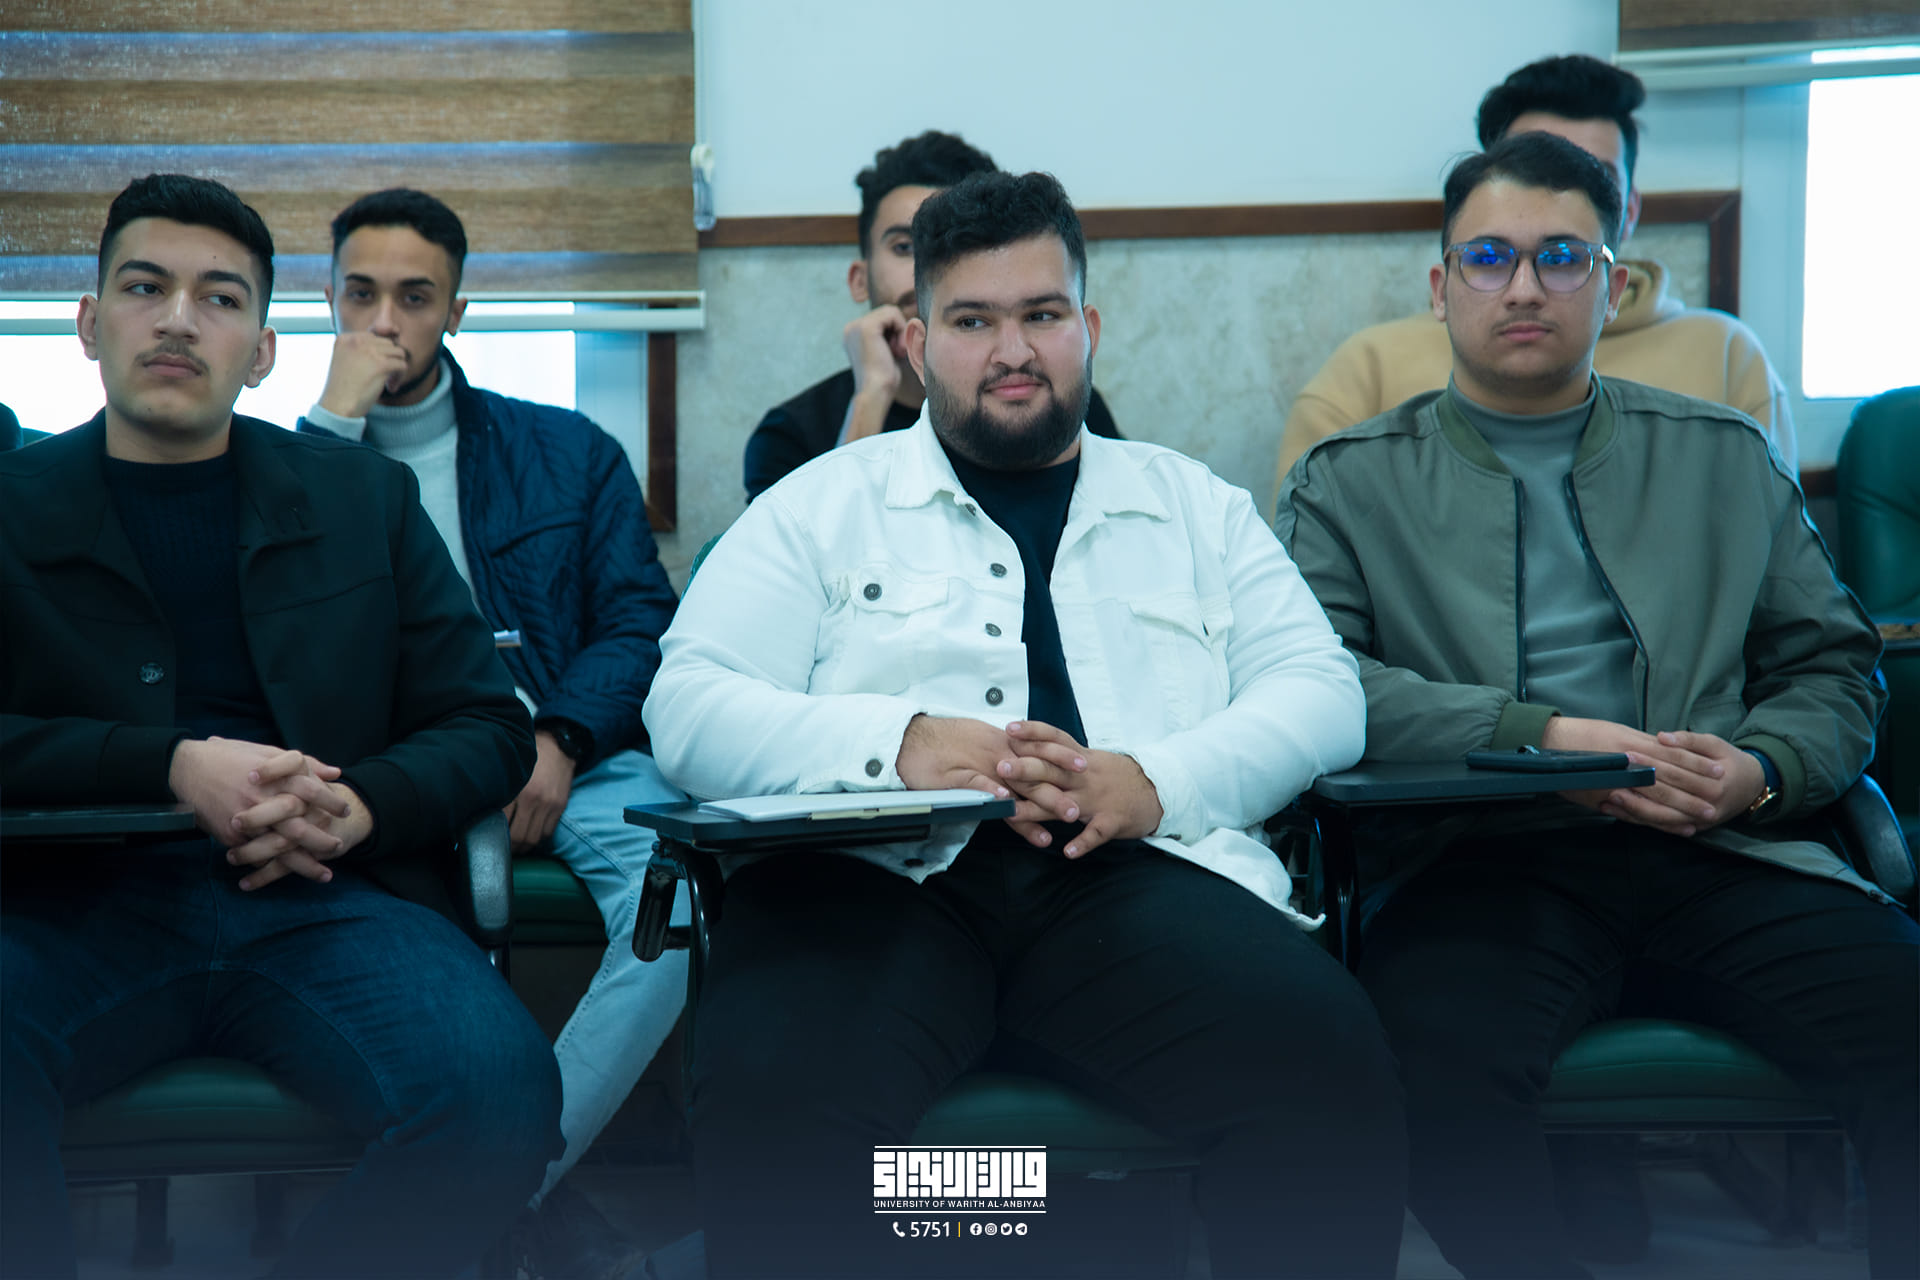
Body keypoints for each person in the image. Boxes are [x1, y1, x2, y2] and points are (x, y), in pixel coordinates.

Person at [648, 170, 1407, 1278]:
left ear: (1088, 326)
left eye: (1042, 314)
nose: (1014, 350)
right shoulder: (818, 506)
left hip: (1133, 877)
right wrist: (900, 743)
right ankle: (1001, 1229)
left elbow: (1321, 690)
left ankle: (1042, 1230)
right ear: (917, 344)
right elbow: (688, 705)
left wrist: (1154, 778)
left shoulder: (1194, 504)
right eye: (972, 321)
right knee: (779, 1113)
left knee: (1330, 1072)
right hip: (862, 884)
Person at [1275, 132, 1918, 1280]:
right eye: (1489, 257)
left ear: (1612, 286)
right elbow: (1319, 683)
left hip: (1725, 845)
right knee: (1434, 1074)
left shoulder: (1722, 458)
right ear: (1441, 287)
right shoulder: (1351, 481)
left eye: (1562, 256)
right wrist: (1541, 739)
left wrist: (1761, 768)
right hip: (1480, 857)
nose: (1524, 286)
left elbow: (1832, 664)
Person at [0, 174, 560, 1278]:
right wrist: (168, 766)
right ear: (88, 323)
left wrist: (361, 808)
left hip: (325, 897)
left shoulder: (361, 499)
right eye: (144, 288)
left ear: (261, 351)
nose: (177, 320)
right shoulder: (14, 506)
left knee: (498, 1095)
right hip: (68, 904)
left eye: (219, 298)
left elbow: (486, 722)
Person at [298, 187, 684, 1280]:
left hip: (569, 752)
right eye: (361, 295)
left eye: (415, 297)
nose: (386, 322)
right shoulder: (283, 463)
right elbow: (274, 636)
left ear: (458, 311)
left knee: (682, 911)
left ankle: (511, 1185)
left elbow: (638, 620)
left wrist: (559, 737)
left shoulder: (565, 449)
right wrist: (331, 430)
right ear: (327, 303)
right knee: (424, 982)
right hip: (388, 771)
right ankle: (490, 1191)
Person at [1274, 53, 1795, 487]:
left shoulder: (1725, 357)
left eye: (1594, 180)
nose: (1558, 198)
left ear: (1630, 209)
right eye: (1531, 168)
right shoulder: (1369, 369)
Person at [742, 129, 1121, 501]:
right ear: (859, 279)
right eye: (906, 247)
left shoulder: (1053, 402)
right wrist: (872, 394)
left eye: (961, 239)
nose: (931, 265)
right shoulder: (790, 434)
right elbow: (813, 534)